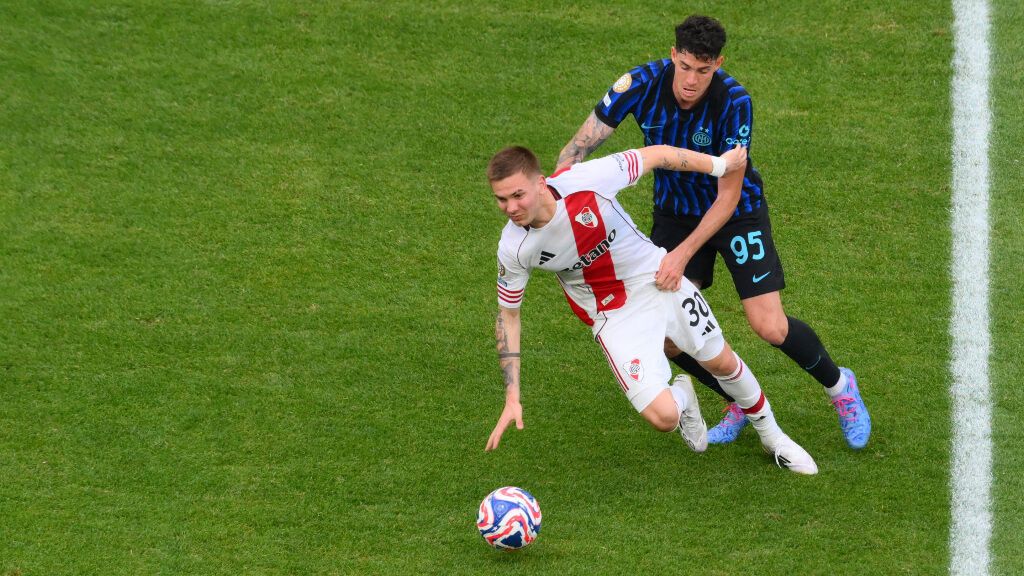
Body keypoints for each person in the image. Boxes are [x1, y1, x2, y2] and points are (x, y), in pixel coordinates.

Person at [554, 15, 870, 449]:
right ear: (673, 55)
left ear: (718, 64)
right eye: (685, 67)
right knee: (666, 336)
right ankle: (737, 400)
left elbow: (727, 196)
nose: (691, 80)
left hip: (736, 213)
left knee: (769, 325)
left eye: (703, 71)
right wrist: (552, 200)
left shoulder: (734, 102)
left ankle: (841, 388)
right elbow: (577, 150)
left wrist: (681, 256)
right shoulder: (639, 84)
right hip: (674, 213)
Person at [483, 142, 817, 475]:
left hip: (658, 279)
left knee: (721, 361)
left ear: (540, 183)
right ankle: (684, 397)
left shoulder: (586, 180)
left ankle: (774, 437)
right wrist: (512, 396)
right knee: (664, 418)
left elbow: (656, 155)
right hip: (612, 317)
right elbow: (508, 316)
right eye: (502, 199)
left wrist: (720, 165)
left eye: (517, 195)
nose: (510, 207)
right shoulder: (514, 248)